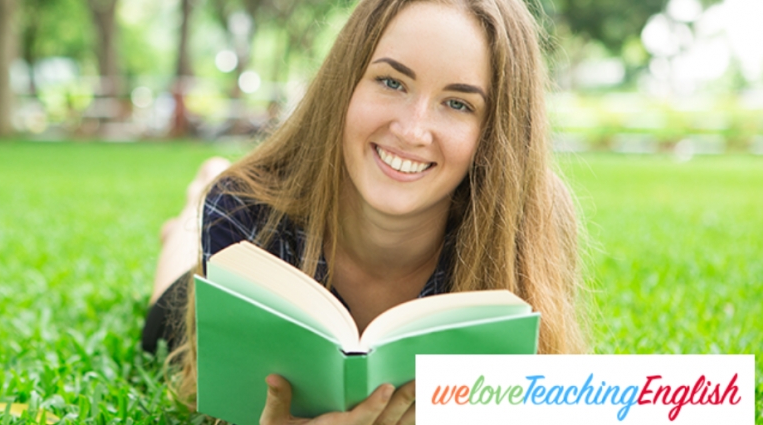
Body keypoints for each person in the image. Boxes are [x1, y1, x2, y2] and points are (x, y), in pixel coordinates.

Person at [143, 0, 586, 422]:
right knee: (161, 324)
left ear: (494, 132)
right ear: (346, 83)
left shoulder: (530, 221)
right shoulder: (243, 209)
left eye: (458, 103)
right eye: (391, 82)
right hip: (250, 224)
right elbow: (215, 396)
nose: (412, 131)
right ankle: (188, 210)